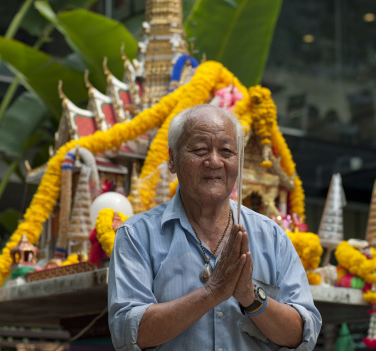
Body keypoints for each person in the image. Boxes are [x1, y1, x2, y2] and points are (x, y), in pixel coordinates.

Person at [108, 104, 322, 350]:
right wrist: (212, 292)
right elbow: (127, 333)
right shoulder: (137, 235)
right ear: (172, 160)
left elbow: (303, 335)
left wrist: (251, 297)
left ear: (238, 161)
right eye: (199, 150)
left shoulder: (271, 236)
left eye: (226, 151)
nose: (214, 161)